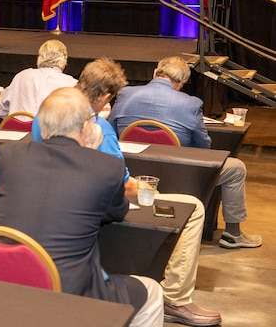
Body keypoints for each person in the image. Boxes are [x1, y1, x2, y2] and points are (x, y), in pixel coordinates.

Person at [34, 59, 220, 326]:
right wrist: (148, 186)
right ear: (107, 97)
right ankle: (175, 299)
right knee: (192, 206)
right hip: (94, 210)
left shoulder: (46, 113)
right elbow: (122, 186)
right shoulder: (98, 128)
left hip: (53, 210)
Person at [0, 87, 163, 326]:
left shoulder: (8, 155)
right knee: (152, 291)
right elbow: (117, 210)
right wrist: (91, 152)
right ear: (85, 127)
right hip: (70, 291)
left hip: (4, 279)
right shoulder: (107, 168)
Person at [109, 56, 261, 250]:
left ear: (155, 72)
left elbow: (112, 130)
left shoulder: (125, 93)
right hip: (178, 174)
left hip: (131, 171)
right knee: (237, 168)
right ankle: (233, 234)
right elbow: (204, 146)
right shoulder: (191, 104)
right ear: (181, 84)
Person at [0, 38, 76, 118]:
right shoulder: (72, 84)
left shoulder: (21, 76)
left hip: (16, 131)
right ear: (63, 61)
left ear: (39, 58)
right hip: (48, 131)